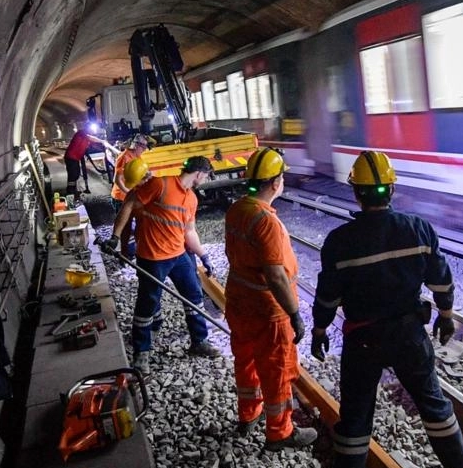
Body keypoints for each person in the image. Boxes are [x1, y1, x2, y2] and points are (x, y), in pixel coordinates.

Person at [308, 150, 463, 468]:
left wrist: (319, 329)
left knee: (355, 419)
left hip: (363, 340)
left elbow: (327, 296)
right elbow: (441, 280)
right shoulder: (418, 229)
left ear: (356, 192)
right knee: (433, 404)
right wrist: (446, 316)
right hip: (409, 334)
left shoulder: (340, 242)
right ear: (392, 189)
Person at [222, 148, 317, 451]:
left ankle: (249, 414)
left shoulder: (237, 209)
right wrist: (295, 314)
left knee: (246, 361)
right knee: (277, 372)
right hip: (267, 310)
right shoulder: (266, 221)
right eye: (282, 177)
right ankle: (280, 433)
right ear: (276, 183)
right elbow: (276, 276)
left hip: (239, 302)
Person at [103, 156, 222, 365]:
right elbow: (129, 203)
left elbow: (190, 232)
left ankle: (199, 341)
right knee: (148, 303)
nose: (205, 180)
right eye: (206, 176)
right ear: (199, 173)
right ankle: (142, 353)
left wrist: (203, 255)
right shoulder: (161, 184)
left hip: (178, 255)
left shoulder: (191, 198)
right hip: (152, 257)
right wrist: (115, 237)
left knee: (194, 295)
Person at [109, 136, 151, 256]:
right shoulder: (124, 157)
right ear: (136, 145)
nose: (144, 149)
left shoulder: (137, 156)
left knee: (138, 223)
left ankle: (135, 250)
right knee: (125, 227)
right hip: (121, 197)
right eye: (143, 146)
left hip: (131, 196)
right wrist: (128, 192)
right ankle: (124, 253)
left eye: (145, 147)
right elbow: (117, 179)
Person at [63, 125, 96, 196]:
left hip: (75, 158)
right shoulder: (81, 133)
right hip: (71, 157)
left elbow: (91, 143)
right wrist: (102, 141)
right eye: (92, 131)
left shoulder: (86, 137)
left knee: (76, 174)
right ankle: (70, 191)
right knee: (73, 175)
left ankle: (73, 190)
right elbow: (90, 138)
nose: (93, 132)